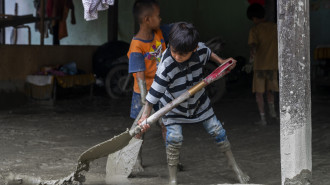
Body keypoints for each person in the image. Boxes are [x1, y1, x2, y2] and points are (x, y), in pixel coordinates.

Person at [138, 22, 250, 185]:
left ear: (194, 49)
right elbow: (153, 96)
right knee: (174, 139)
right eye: (174, 51)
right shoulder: (166, 65)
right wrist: (144, 118)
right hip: (172, 105)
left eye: (182, 54)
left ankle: (236, 169)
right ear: (170, 44)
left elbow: (209, 51)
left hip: (199, 102)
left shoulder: (200, 50)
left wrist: (222, 61)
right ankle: (173, 179)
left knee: (219, 132)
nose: (177, 56)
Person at [127, 0, 167, 173]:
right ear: (147, 19)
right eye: (158, 16)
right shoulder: (136, 45)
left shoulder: (158, 34)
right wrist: (145, 101)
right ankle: (136, 160)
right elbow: (140, 76)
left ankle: (172, 159)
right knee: (139, 129)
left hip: (161, 91)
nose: (160, 18)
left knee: (166, 125)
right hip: (143, 94)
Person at [247, 3, 278, 125]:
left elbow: (253, 46)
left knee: (259, 93)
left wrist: (251, 58)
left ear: (254, 17)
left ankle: (263, 118)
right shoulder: (274, 27)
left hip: (259, 67)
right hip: (272, 66)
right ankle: (274, 114)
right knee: (271, 92)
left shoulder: (254, 29)